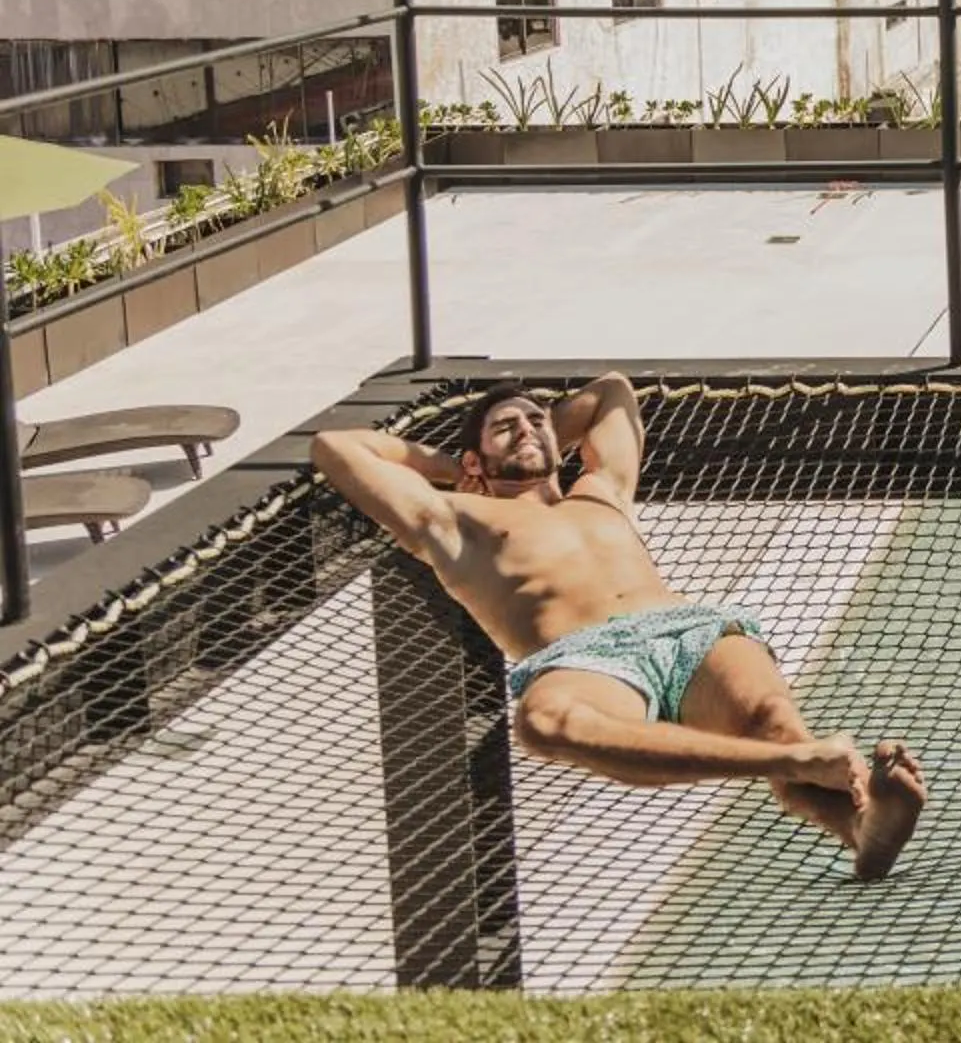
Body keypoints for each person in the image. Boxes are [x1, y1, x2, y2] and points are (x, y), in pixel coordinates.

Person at [310, 376, 927, 878]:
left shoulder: (601, 488)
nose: (527, 429)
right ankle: (792, 761)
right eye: (508, 427)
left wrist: (532, 433)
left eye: (536, 420)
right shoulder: (456, 517)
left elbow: (612, 392)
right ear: (477, 458)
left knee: (772, 718)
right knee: (546, 722)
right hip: (586, 657)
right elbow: (337, 448)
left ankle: (861, 827)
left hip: (686, 627)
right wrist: (452, 466)